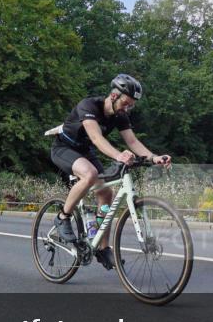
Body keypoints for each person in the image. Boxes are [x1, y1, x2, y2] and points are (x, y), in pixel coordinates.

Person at [50, 74, 171, 270]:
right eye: (126, 103)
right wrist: (118, 155)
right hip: (64, 148)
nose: (127, 108)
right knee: (90, 175)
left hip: (85, 151)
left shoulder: (120, 115)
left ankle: (102, 248)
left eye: (131, 105)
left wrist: (153, 157)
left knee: (106, 192)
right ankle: (63, 217)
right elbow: (97, 139)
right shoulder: (89, 106)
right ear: (114, 96)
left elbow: (132, 142)